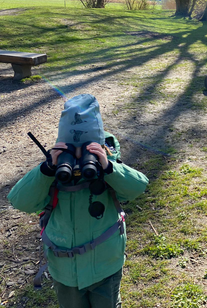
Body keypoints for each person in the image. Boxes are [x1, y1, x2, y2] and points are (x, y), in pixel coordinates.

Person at [8, 94, 149, 308]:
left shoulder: (107, 168)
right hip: (65, 271)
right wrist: (46, 170)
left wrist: (109, 167)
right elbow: (20, 201)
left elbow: (138, 187)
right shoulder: (53, 173)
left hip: (104, 267)